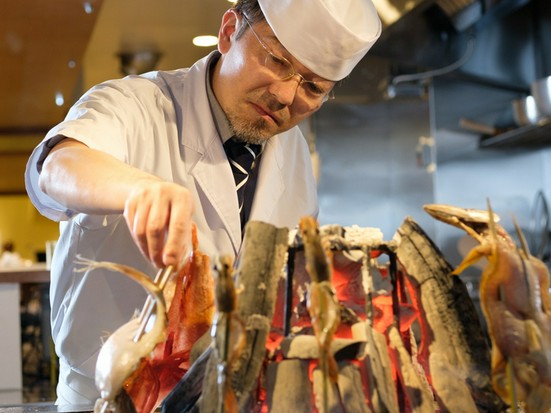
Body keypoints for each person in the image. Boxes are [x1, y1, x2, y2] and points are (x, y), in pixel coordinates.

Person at [25, 0, 381, 405]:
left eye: (313, 87)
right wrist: (137, 189)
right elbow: (55, 167)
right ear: (229, 31)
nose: (285, 95)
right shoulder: (135, 105)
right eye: (277, 61)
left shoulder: (294, 153)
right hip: (105, 397)